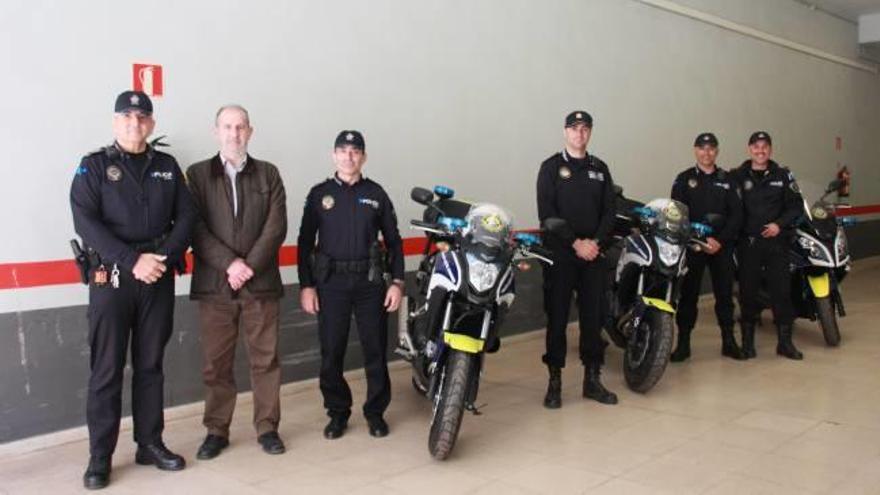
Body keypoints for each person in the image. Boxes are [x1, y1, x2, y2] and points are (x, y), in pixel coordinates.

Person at [70, 90, 196, 490]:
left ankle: (150, 443)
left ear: (151, 124)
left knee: (151, 366)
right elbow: (85, 222)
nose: (135, 122)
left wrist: (161, 258)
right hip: (113, 280)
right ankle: (100, 457)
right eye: (126, 116)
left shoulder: (167, 166)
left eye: (142, 117)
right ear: (114, 122)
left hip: (155, 278)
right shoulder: (93, 167)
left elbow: (188, 216)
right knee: (106, 370)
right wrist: (132, 260)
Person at [186, 105, 288, 459]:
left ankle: (267, 428)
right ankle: (217, 430)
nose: (234, 133)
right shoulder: (197, 175)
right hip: (215, 286)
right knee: (216, 364)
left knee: (266, 360)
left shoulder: (268, 174)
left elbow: (276, 227)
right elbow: (194, 229)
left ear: (250, 131)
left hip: (260, 286)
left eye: (240, 126)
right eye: (227, 127)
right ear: (216, 131)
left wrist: (248, 267)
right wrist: (230, 264)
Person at [297, 130, 404, 439]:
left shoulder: (377, 194)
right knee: (332, 352)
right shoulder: (319, 195)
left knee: (375, 350)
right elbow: (304, 244)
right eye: (343, 151)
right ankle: (338, 412)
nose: (349, 156)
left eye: (355, 151)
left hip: (370, 284)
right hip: (331, 284)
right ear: (334, 155)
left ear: (364, 157)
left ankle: (375, 413)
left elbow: (394, 243)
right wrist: (307, 285)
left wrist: (397, 282)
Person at [536, 110, 618, 409]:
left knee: (593, 319)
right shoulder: (551, 167)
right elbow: (547, 213)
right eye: (574, 128)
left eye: (585, 129)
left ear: (590, 133)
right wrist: (574, 242)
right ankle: (554, 381)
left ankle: (592, 380)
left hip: (594, 255)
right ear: (565, 132)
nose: (579, 133)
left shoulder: (600, 168)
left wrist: (595, 243)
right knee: (557, 318)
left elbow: (610, 211)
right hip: (561, 255)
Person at [670, 133, 745, 362]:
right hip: (694, 247)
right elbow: (677, 214)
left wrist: (719, 240)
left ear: (717, 151)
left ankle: (729, 341)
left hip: (721, 246)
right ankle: (683, 344)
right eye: (702, 148)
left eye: (711, 148)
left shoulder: (728, 180)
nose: (707, 153)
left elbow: (737, 215)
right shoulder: (684, 179)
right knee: (689, 295)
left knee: (724, 296)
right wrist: (697, 240)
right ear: (695, 150)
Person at [732, 131, 804, 360]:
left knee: (781, 293)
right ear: (749, 149)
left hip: (776, 243)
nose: (760, 151)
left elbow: (795, 207)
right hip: (748, 244)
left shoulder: (783, 176)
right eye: (756, 146)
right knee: (748, 294)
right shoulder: (736, 175)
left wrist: (779, 225)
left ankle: (785, 343)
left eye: (764, 147)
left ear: (770, 149)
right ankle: (748, 344)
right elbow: (730, 207)